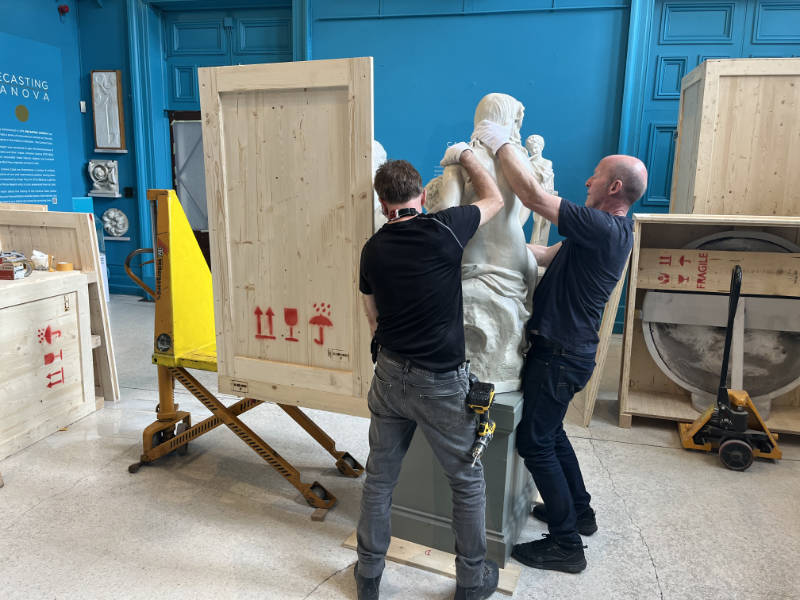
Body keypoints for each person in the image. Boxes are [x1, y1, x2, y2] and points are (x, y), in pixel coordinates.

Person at [470, 119, 648, 574]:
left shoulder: (603, 226)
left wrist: (500, 143)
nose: (586, 180)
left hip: (560, 355)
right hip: (570, 353)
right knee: (553, 434)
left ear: (613, 186)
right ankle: (580, 513)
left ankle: (567, 545)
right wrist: (494, 249)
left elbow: (532, 196)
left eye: (595, 175)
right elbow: (547, 255)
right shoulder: (604, 232)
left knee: (535, 442)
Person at [355, 149, 504, 600]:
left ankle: (368, 576)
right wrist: (466, 156)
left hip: (389, 375)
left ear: (383, 204)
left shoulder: (372, 250)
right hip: (441, 384)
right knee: (466, 481)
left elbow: (373, 319)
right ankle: (472, 581)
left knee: (380, 479)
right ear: (422, 196)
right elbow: (495, 199)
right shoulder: (446, 228)